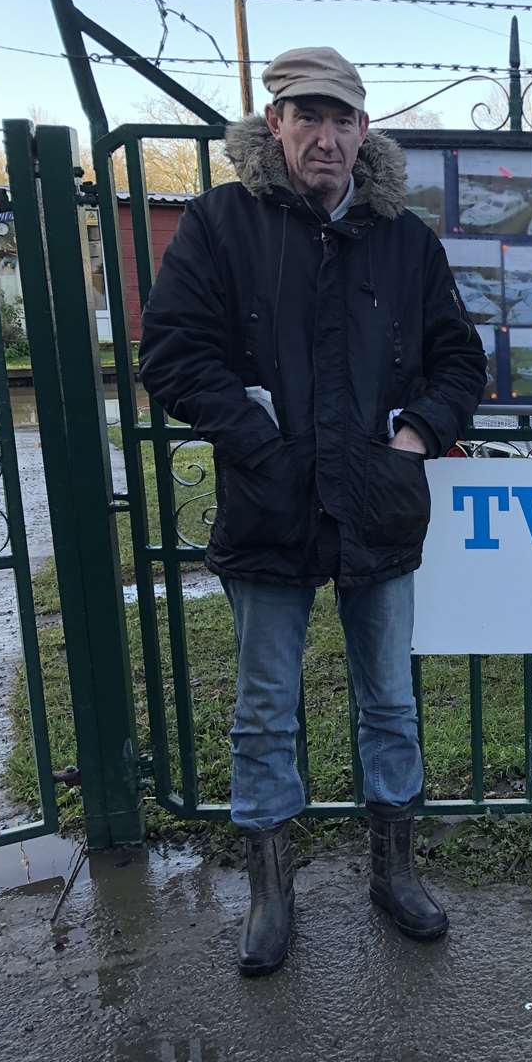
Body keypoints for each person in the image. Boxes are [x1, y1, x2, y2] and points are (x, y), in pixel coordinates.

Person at [139, 47, 487, 976]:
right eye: (307, 117)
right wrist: (254, 438)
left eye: (342, 119)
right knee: (262, 710)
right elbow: (172, 354)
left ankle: (394, 871)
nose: (325, 136)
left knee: (389, 702)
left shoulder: (403, 238)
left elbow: (461, 361)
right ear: (275, 124)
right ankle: (269, 888)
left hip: (376, 504)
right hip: (270, 506)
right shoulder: (221, 224)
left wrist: (416, 435)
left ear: (363, 131)